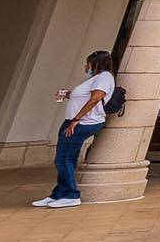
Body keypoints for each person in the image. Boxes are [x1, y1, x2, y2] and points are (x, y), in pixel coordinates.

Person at [36, 50, 116, 207]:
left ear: (97, 63)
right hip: (75, 121)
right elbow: (86, 97)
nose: (86, 66)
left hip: (82, 123)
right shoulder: (94, 78)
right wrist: (69, 94)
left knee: (62, 159)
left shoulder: (104, 78)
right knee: (68, 159)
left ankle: (71, 195)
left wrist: (76, 120)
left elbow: (95, 99)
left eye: (89, 63)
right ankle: (58, 194)